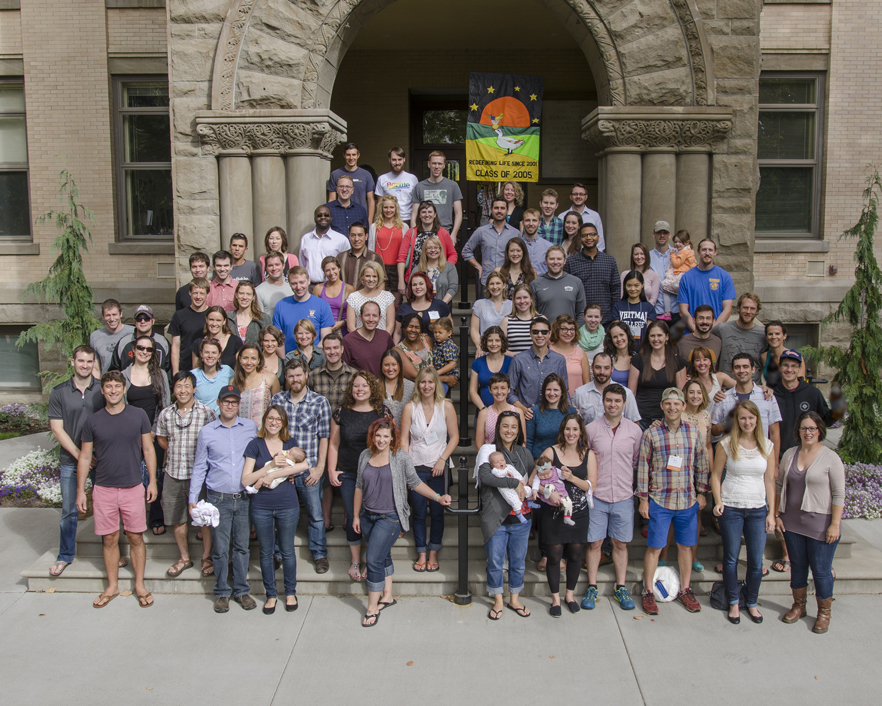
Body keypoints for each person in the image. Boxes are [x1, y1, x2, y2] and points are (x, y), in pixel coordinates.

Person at [353, 418, 451, 626]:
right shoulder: (364, 455)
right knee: (382, 555)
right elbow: (359, 486)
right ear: (372, 435)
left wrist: (437, 497)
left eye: (385, 436)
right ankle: (387, 595)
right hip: (367, 515)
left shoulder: (400, 458)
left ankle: (371, 608)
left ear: (392, 438)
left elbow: (415, 483)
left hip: (390, 517)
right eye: (377, 435)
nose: (381, 440)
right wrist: (355, 515)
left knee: (373, 559)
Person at [76, 371, 157, 609]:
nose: (112, 390)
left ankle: (139, 584)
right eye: (108, 387)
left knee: (135, 537)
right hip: (104, 488)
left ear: (124, 389)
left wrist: (152, 481)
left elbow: (149, 450)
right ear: (102, 390)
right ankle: (112, 585)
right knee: (109, 538)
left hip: (132, 486)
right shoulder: (93, 421)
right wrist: (81, 490)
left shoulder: (138, 415)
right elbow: (84, 456)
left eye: (117, 386)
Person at [637, 387, 709, 616]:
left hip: (687, 500)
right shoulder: (651, 433)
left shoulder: (693, 432)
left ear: (683, 406)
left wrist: (702, 492)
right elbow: (643, 468)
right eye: (668, 403)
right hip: (660, 499)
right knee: (655, 548)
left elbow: (702, 464)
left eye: (676, 404)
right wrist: (643, 499)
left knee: (685, 547)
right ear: (662, 406)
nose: (672, 407)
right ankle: (648, 591)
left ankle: (685, 589)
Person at [188, 385, 258, 612]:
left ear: (239, 404)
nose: (230, 406)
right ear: (218, 403)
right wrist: (193, 498)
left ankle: (241, 590)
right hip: (218, 499)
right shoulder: (207, 432)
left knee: (242, 547)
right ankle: (221, 591)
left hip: (244, 498)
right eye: (226, 401)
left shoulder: (250, 428)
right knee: (219, 548)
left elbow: (258, 459)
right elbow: (200, 467)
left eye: (234, 402)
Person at [776, 412, 844, 634]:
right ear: (798, 431)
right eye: (804, 428)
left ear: (820, 431)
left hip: (820, 525)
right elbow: (778, 486)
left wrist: (835, 524)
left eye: (812, 428)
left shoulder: (831, 458)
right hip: (792, 523)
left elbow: (838, 494)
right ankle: (799, 606)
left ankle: (824, 613)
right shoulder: (789, 454)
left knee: (821, 571)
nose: (808, 432)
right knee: (797, 567)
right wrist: (777, 514)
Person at [711, 401, 776, 624]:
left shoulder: (767, 446)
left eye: (751, 418)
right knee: (730, 559)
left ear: (757, 420)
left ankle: (752, 602)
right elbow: (715, 475)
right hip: (732, 508)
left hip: (757, 509)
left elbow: (770, 480)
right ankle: (733, 602)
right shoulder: (727, 444)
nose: (747, 422)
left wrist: (771, 513)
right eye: (742, 418)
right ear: (737, 421)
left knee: (756, 562)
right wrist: (718, 501)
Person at [241, 405, 310, 614]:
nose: (273, 422)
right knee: (266, 552)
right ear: (264, 420)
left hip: (287, 505)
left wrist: (276, 475)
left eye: (278, 419)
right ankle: (270, 594)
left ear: (283, 423)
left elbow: (304, 466)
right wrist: (270, 467)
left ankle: (290, 592)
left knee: (288, 551)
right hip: (261, 506)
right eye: (270, 418)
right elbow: (246, 479)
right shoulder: (255, 445)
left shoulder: (290, 444)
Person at [584, 384, 642, 610]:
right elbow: (585, 458)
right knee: (595, 543)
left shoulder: (634, 431)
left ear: (625, 404)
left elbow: (636, 461)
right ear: (603, 401)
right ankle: (592, 586)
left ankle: (620, 586)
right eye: (609, 400)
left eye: (618, 401)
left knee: (619, 543)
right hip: (597, 496)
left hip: (624, 496)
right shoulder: (591, 429)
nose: (613, 404)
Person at [47, 345, 105, 577]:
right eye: (80, 361)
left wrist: (94, 455)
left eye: (89, 361)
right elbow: (57, 429)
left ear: (94, 364)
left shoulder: (102, 390)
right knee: (69, 510)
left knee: (105, 507)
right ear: (72, 362)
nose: (85, 365)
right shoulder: (59, 392)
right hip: (71, 460)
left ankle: (112, 551)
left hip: (101, 459)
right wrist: (81, 455)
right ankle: (65, 555)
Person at [328, 371, 392, 581]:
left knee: (375, 517)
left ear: (371, 388)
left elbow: (390, 441)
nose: (360, 389)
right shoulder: (341, 412)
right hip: (348, 473)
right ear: (351, 389)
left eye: (364, 385)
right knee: (351, 517)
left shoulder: (381, 412)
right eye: (356, 386)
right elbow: (334, 444)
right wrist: (331, 469)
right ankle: (355, 561)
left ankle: (375, 559)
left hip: (376, 474)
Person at [270, 358, 332, 573]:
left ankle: (319, 554)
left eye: (299, 375)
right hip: (282, 471)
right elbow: (272, 435)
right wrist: (277, 467)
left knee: (315, 514)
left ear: (306, 376)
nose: (295, 379)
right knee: (280, 514)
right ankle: (277, 553)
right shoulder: (277, 401)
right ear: (285, 378)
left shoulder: (319, 402)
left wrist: (319, 468)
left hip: (309, 471)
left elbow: (325, 437)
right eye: (291, 376)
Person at [156, 371, 218, 579]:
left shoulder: (207, 413)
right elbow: (162, 440)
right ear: (173, 390)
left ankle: (206, 557)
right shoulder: (166, 414)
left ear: (194, 389)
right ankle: (184, 557)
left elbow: (214, 441)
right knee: (177, 517)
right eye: (178, 386)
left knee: (204, 517)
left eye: (187, 386)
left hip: (199, 476)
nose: (183, 390)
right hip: (173, 473)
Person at [534, 414, 596, 616]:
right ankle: (555, 600)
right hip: (553, 514)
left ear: (580, 432)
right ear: (563, 431)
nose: (571, 433)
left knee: (576, 555)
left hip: (578, 513)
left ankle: (569, 595)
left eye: (575, 430)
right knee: (553, 556)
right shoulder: (552, 452)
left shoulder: (588, 454)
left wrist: (572, 477)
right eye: (568, 429)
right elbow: (533, 480)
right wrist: (547, 492)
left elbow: (591, 486)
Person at [400, 367, 458, 572]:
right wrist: (406, 468)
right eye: (423, 382)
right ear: (418, 385)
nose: (426, 386)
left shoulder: (446, 407)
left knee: (437, 512)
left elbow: (455, 437)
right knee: (417, 512)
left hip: (439, 466)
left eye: (430, 382)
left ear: (436, 385)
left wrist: (443, 459)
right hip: (415, 466)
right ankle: (421, 553)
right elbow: (404, 441)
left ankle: (433, 552)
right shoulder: (410, 408)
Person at [478, 411, 534, 620]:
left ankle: (515, 599)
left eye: (513, 427)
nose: (509, 431)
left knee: (518, 562)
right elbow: (485, 477)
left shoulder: (524, 454)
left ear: (519, 431)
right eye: (505, 426)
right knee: (495, 561)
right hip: (496, 518)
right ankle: (498, 601)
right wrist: (514, 483)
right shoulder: (488, 450)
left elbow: (531, 480)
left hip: (521, 517)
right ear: (498, 428)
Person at [121, 334, 171, 535]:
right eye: (141, 348)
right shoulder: (124, 375)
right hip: (130, 435)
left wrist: (153, 430)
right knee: (131, 479)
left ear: (153, 353)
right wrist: (137, 433)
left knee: (155, 476)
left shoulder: (160, 374)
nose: (144, 352)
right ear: (134, 349)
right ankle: (132, 520)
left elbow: (165, 406)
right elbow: (121, 406)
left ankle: (156, 517)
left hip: (154, 434)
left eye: (149, 349)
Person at [711, 353, 782, 454]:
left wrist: (774, 465)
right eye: (737, 367)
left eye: (745, 367)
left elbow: (775, 433)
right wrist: (725, 423)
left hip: (761, 459)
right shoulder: (723, 398)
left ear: (753, 369)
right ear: (732, 371)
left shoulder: (767, 396)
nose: (741, 371)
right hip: (731, 459)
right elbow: (714, 431)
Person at [773, 349, 831, 459]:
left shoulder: (813, 393)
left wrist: (838, 410)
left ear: (799, 368)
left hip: (807, 456)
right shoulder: (771, 394)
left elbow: (825, 421)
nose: (789, 369)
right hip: (779, 457)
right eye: (785, 365)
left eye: (794, 366)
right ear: (779, 367)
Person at [628, 321, 688, 429]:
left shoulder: (677, 361)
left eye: (659, 335)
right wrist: (634, 418)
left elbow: (681, 395)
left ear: (667, 337)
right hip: (641, 418)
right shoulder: (638, 359)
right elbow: (631, 393)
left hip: (668, 418)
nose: (656, 339)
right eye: (652, 335)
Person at [507, 317, 569, 420]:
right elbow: (509, 391)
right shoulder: (518, 359)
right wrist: (523, 409)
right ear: (530, 333)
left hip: (552, 416)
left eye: (544, 332)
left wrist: (571, 408)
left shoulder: (559, 360)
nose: (540, 335)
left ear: (549, 333)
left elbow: (564, 391)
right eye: (536, 332)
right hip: (526, 417)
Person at [564, 222, 620, 324]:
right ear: (580, 239)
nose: (589, 238)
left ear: (598, 237)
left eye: (592, 234)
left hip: (605, 319)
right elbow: (567, 292)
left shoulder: (609, 261)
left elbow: (615, 290)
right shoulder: (571, 262)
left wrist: (614, 317)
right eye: (584, 235)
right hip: (580, 319)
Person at [677, 238, 736, 332]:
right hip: (692, 333)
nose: (707, 253)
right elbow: (683, 311)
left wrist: (712, 332)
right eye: (704, 250)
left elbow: (727, 310)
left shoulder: (725, 277)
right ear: (698, 252)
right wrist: (696, 331)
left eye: (710, 250)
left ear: (715, 252)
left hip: (715, 334)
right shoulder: (687, 277)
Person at [397, 200, 458, 289]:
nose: (427, 215)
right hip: (416, 279)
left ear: (435, 214)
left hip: (438, 279)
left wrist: (445, 268)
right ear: (419, 215)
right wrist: (401, 282)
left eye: (430, 212)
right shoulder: (411, 233)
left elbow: (453, 254)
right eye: (423, 212)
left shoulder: (443, 233)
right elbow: (401, 258)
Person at [273, 266, 335, 352]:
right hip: (289, 360)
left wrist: (313, 359)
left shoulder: (322, 305)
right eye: (294, 283)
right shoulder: (281, 305)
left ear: (309, 281)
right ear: (289, 283)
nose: (298, 287)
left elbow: (325, 338)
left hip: (315, 360)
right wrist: (284, 361)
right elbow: (278, 340)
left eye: (302, 282)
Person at [462, 197, 520, 287]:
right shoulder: (481, 231)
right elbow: (466, 251)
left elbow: (522, 256)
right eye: (496, 208)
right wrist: (478, 267)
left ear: (507, 210)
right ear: (491, 210)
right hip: (487, 281)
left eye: (502, 208)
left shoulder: (515, 233)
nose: (499, 211)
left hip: (508, 281)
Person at [573, 353, 641, 425]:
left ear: (612, 368)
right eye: (598, 367)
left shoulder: (627, 393)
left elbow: (635, 424)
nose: (602, 372)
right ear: (592, 367)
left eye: (606, 368)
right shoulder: (579, 393)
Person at [713, 292, 768, 382]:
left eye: (752, 308)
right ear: (738, 308)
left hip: (753, 389)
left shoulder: (763, 334)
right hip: (726, 389)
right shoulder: (722, 329)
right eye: (745, 308)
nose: (748, 312)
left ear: (757, 311)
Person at [411, 151, 463, 243]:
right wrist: (414, 235)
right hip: (424, 233)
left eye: (439, 164)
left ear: (444, 165)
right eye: (434, 163)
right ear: (428, 164)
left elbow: (458, 213)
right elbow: (414, 214)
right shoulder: (419, 187)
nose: (436, 166)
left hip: (445, 232)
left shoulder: (452, 186)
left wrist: (454, 234)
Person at [525, 373, 577, 460]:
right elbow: (529, 441)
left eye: (556, 390)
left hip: (564, 461)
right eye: (548, 389)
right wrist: (530, 463)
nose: (552, 393)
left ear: (562, 392)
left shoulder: (571, 411)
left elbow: (577, 438)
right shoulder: (534, 412)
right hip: (539, 462)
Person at [109, 305, 171, 377]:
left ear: (153, 321)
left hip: (156, 386)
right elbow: (115, 372)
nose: (143, 321)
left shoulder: (163, 342)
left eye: (146, 318)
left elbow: (169, 371)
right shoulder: (123, 343)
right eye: (139, 319)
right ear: (134, 321)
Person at [532, 246, 587, 325]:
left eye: (559, 259)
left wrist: (574, 332)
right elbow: (532, 313)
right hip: (545, 335)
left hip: (569, 334)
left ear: (565, 260)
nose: (555, 262)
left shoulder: (576, 282)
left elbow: (581, 312)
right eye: (551, 259)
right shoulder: (536, 284)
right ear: (546, 260)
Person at [298, 205, 350, 285]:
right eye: (319, 215)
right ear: (314, 218)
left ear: (331, 218)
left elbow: (346, 266)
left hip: (333, 286)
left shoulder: (341, 240)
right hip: (310, 286)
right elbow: (302, 264)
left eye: (326, 215)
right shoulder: (306, 239)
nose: (323, 217)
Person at [370, 194, 406, 306]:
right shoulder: (375, 226)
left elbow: (406, 251)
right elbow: (371, 248)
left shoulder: (404, 227)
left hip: (397, 269)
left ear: (396, 209)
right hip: (380, 267)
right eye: (385, 207)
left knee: (397, 302)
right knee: (380, 302)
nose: (388, 210)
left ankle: (396, 324)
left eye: (391, 207)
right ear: (381, 208)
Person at [342, 301, 394, 379]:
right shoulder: (348, 340)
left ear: (379, 318)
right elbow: (344, 370)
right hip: (361, 388)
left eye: (374, 316)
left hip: (383, 387)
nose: (371, 319)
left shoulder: (385, 336)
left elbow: (393, 361)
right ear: (360, 317)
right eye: (367, 315)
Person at [169, 278, 209, 375]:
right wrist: (175, 372)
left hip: (208, 368)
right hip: (185, 367)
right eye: (195, 293)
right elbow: (175, 346)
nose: (198, 297)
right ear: (189, 293)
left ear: (207, 294)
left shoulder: (212, 315)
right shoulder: (179, 315)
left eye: (202, 293)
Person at [394, 271, 452, 339]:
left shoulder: (440, 305)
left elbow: (449, 329)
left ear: (427, 285)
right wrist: (395, 349)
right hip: (407, 348)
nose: (418, 287)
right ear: (411, 288)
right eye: (414, 285)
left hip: (434, 347)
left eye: (421, 284)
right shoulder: (403, 308)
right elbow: (397, 333)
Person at [327, 143, 375, 222]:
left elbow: (371, 200)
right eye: (348, 155)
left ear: (358, 155)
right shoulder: (335, 174)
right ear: (344, 155)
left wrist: (369, 222)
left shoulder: (366, 175)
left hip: (360, 217)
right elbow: (331, 199)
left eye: (354, 155)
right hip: (340, 216)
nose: (351, 158)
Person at [235, 343, 281, 425]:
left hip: (262, 432)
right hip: (240, 432)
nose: (249, 362)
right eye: (245, 358)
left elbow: (277, 408)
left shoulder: (270, 378)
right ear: (240, 359)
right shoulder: (234, 381)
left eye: (253, 358)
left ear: (259, 360)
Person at [346, 260, 395, 335]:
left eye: (374, 276)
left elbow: (390, 326)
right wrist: (361, 341)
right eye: (368, 276)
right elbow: (350, 326)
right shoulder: (353, 297)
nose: (371, 279)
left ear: (379, 277)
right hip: (359, 341)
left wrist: (382, 341)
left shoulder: (387, 297)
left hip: (381, 341)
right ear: (362, 277)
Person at [475, 373, 525, 447]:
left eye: (503, 388)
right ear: (490, 390)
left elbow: (522, 442)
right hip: (490, 454)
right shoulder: (484, 413)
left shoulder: (517, 412)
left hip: (512, 455)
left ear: (508, 389)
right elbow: (479, 445)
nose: (499, 392)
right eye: (495, 388)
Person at [470, 327, 512, 412]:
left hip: (506, 412)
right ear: (485, 342)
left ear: (502, 342)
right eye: (490, 340)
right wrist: (483, 409)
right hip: (483, 411)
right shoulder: (478, 362)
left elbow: (515, 390)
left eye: (497, 340)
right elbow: (472, 391)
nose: (493, 344)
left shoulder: (511, 362)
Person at [611, 271, 657, 348]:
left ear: (642, 285)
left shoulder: (649, 308)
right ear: (624, 286)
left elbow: (650, 333)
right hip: (622, 349)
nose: (633, 289)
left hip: (643, 349)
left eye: (636, 285)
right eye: (629, 285)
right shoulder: (617, 307)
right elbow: (615, 332)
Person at [90, 299, 134, 376]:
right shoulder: (95, 336)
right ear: (103, 316)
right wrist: (97, 386)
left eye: (114, 314)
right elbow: (96, 368)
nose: (112, 319)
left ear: (120, 314)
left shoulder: (133, 333)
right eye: (108, 315)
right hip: (107, 383)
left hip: (130, 382)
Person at [549, 314, 590, 397]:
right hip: (554, 401)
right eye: (564, 329)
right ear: (557, 329)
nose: (569, 333)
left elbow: (587, 383)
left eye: (572, 329)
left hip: (577, 402)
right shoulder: (548, 351)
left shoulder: (580, 352)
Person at [470, 272, 512, 352]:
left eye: (498, 283)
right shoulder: (480, 304)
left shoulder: (512, 305)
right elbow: (474, 329)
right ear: (488, 287)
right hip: (486, 350)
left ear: (504, 285)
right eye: (491, 284)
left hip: (507, 351)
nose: (495, 287)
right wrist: (480, 346)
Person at [374, 147, 418, 222]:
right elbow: (379, 204)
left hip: (408, 219)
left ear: (404, 159)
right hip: (389, 220)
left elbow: (416, 202)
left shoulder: (412, 179)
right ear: (389, 160)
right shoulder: (382, 179)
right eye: (394, 160)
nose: (397, 163)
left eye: (400, 159)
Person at [313, 256, 355, 336]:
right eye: (327, 270)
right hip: (323, 332)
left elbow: (356, 314)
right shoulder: (318, 288)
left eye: (333, 269)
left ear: (339, 268)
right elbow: (313, 312)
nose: (331, 273)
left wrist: (343, 322)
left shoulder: (349, 289)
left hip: (343, 333)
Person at [558, 182, 605, 251]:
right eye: (575, 194)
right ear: (571, 197)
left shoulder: (594, 216)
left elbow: (600, 241)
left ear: (586, 197)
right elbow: (560, 238)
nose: (578, 197)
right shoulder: (562, 216)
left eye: (581, 194)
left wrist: (595, 258)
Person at [337, 221, 385, 289]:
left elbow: (381, 282)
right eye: (353, 235)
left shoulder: (375, 258)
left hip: (368, 298)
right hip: (345, 298)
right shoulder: (341, 257)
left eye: (360, 235)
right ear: (349, 236)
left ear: (366, 236)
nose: (356, 239)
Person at [191, 338, 235, 413]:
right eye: (207, 352)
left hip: (222, 420)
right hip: (202, 420)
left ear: (219, 355)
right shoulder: (193, 375)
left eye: (214, 353)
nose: (210, 356)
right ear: (201, 354)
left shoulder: (227, 371)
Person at [648, 221, 679, 325]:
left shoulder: (678, 255)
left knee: (676, 341)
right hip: (657, 312)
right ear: (654, 234)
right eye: (659, 233)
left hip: (677, 312)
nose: (662, 235)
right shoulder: (647, 257)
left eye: (665, 233)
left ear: (669, 235)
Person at [761, 320, 808, 385]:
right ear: (766, 337)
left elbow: (800, 383)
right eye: (770, 334)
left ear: (784, 336)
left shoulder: (795, 357)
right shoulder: (764, 356)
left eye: (777, 334)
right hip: (771, 394)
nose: (774, 337)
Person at [379, 348, 413, 429]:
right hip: (382, 438)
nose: (390, 369)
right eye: (386, 365)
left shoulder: (411, 387)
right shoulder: (374, 386)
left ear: (399, 365)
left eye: (394, 364)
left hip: (406, 437)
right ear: (381, 366)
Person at [228, 280, 271, 345]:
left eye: (248, 294)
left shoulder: (264, 318)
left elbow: (269, 342)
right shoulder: (228, 318)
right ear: (236, 295)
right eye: (241, 293)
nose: (244, 297)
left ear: (253, 297)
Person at [501, 284, 539, 355]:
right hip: (514, 363)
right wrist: (519, 357)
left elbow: (550, 345)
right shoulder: (506, 321)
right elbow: (499, 347)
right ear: (514, 301)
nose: (522, 301)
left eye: (525, 297)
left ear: (531, 299)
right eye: (518, 298)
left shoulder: (541, 320)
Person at [419, 235, 458, 304]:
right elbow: (410, 289)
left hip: (443, 307)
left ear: (440, 249)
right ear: (425, 250)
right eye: (429, 248)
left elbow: (453, 288)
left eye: (436, 247)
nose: (433, 250)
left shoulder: (450, 267)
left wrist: (441, 305)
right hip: (422, 308)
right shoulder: (418, 269)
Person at [256, 251, 295, 320]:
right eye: (270, 265)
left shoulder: (292, 287)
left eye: (277, 264)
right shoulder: (258, 291)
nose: (274, 268)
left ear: (283, 265)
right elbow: (260, 320)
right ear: (266, 267)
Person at [396, 312, 434, 380]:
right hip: (413, 387)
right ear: (404, 328)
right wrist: (444, 378)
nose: (413, 330)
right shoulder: (398, 350)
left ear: (420, 330)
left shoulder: (427, 340)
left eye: (417, 327)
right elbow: (414, 375)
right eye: (410, 326)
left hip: (433, 385)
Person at [620, 243, 660, 307]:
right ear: (632, 256)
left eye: (642, 254)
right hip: (628, 311)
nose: (639, 257)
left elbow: (653, 300)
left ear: (646, 256)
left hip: (647, 312)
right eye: (636, 254)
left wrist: (642, 311)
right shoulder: (625, 274)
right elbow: (622, 296)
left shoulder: (654, 276)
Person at [662, 229, 696, 296]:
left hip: (682, 274)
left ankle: (668, 305)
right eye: (675, 242)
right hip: (687, 273)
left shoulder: (684, 252)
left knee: (665, 286)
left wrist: (672, 254)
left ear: (686, 242)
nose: (677, 244)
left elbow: (676, 264)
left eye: (680, 242)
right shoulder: (689, 250)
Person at [519, 209, 552, 276]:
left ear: (539, 223)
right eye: (527, 220)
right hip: (522, 284)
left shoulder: (548, 247)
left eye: (534, 220)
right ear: (522, 223)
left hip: (542, 284)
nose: (531, 224)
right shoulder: (517, 245)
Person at [430, 318, 459, 390]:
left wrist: (437, 373)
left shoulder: (448, 345)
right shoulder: (438, 343)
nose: (437, 335)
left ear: (449, 333)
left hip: (447, 376)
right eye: (435, 332)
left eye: (440, 332)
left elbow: (452, 364)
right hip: (439, 375)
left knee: (439, 396)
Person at [605, 321, 635, 387]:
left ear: (627, 335)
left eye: (621, 335)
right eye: (615, 337)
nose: (619, 339)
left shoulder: (636, 358)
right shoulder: (608, 359)